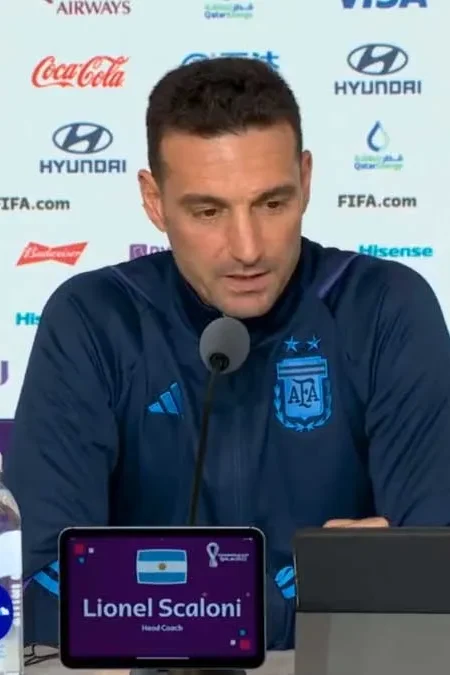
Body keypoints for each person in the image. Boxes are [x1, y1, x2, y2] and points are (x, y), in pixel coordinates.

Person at [3, 55, 450, 651]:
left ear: (306, 179)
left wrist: (156, 606)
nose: (247, 248)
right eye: (208, 211)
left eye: (272, 203)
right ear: (154, 200)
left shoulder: (385, 308)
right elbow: (41, 594)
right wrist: (315, 588)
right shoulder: (92, 320)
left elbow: (425, 579)